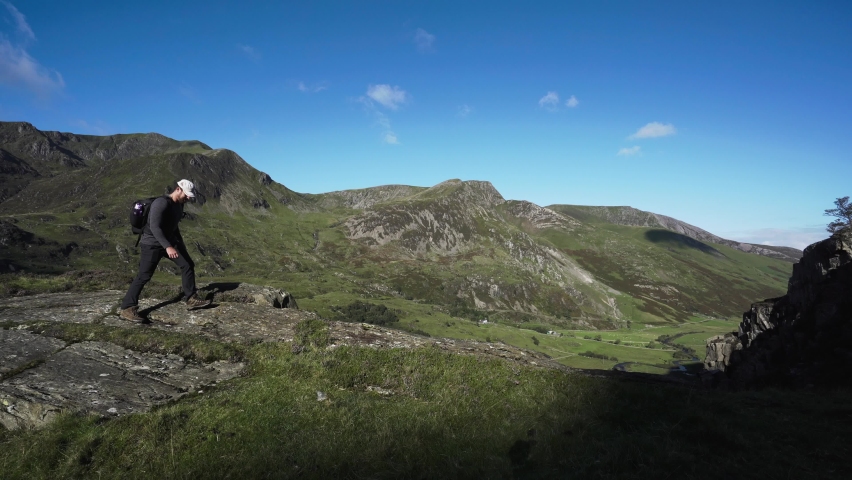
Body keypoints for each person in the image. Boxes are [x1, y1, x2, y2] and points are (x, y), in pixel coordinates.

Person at [120, 179, 211, 323]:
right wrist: (167, 247)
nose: (188, 197)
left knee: (187, 264)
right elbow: (155, 227)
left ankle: (191, 299)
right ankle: (127, 307)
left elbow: (174, 227)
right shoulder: (161, 203)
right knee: (144, 276)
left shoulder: (179, 206)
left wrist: (179, 245)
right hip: (151, 244)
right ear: (178, 189)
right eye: (186, 194)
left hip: (169, 242)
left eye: (189, 195)